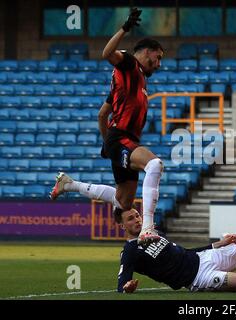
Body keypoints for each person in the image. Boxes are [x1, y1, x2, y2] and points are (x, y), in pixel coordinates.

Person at [50, 8, 164, 246]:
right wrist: (124, 28)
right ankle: (148, 228)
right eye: (158, 57)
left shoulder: (132, 80)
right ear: (146, 52)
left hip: (118, 140)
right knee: (154, 163)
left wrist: (107, 144)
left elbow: (102, 114)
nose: (159, 64)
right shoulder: (130, 65)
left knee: (123, 202)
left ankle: (69, 184)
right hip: (121, 137)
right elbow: (107, 53)